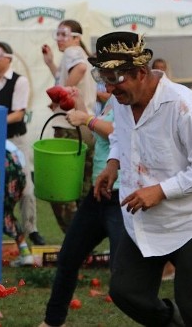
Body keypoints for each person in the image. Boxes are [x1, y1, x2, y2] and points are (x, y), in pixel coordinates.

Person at [92, 31, 192, 326]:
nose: (110, 89)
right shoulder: (124, 101)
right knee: (126, 292)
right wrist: (113, 163)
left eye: (115, 79)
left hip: (188, 222)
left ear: (140, 73)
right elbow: (121, 137)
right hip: (143, 223)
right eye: (104, 79)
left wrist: (161, 191)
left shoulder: (183, 106)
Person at [40, 87, 123, 327]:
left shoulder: (131, 103)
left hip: (121, 195)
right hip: (98, 193)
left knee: (122, 276)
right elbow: (95, 134)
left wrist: (86, 118)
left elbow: (119, 134)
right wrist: (78, 104)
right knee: (68, 257)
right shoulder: (111, 103)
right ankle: (53, 322)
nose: (104, 82)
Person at [41, 19, 96, 233]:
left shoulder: (73, 52)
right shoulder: (74, 54)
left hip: (70, 126)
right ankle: (82, 239)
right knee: (82, 187)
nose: (59, 39)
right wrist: (50, 63)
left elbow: (80, 69)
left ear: (76, 37)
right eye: (58, 34)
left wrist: (61, 94)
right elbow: (71, 74)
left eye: (64, 34)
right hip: (84, 124)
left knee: (62, 188)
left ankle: (76, 239)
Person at [0, 40, 45, 247]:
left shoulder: (18, 81)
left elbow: (19, 114)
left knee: (26, 188)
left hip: (15, 140)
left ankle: (32, 229)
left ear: (8, 59)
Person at [3, 141, 35, 267]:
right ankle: (25, 251)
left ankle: (25, 253)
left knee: (2, 214)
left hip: (6, 170)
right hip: (19, 173)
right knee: (6, 213)